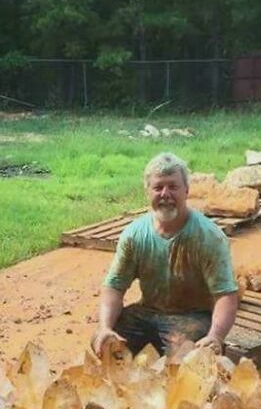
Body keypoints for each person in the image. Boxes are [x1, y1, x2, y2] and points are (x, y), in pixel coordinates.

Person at [92, 152, 239, 357]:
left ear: (186, 190)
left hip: (192, 317)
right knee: (105, 343)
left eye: (173, 186)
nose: (165, 194)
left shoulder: (209, 236)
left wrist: (216, 336)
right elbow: (114, 286)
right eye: (158, 187)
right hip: (148, 312)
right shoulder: (135, 235)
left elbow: (226, 295)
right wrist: (105, 327)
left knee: (189, 359)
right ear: (147, 192)